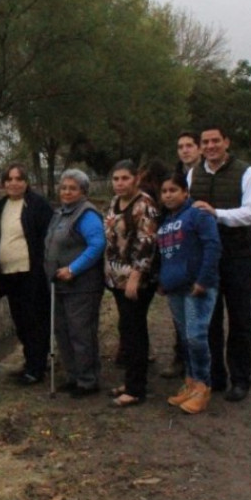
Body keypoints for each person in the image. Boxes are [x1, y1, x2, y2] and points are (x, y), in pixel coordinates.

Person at [189, 126, 251, 402]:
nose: (210, 146)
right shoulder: (193, 174)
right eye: (205, 142)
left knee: (239, 319)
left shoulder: (248, 173)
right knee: (209, 320)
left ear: (226, 142)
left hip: (238, 257)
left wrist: (216, 213)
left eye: (215, 141)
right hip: (207, 260)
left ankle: (241, 379)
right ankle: (215, 376)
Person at [157, 173, 222, 414]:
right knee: (185, 338)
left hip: (196, 287)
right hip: (174, 288)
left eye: (173, 190)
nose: (168, 195)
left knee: (196, 336)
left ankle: (203, 387)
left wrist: (203, 279)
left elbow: (212, 246)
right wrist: (162, 280)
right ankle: (191, 382)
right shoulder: (165, 221)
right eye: (164, 191)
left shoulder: (198, 214)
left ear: (185, 192)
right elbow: (165, 255)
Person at [0, 164, 54, 385]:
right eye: (9, 179)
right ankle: (30, 361)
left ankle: (36, 367)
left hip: (31, 273)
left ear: (26, 182)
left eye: (19, 179)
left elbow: (47, 237)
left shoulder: (38, 205)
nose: (13, 183)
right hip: (8, 273)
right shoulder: (1, 205)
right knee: (20, 321)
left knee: (35, 321)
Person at [44, 169, 107, 398]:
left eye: (73, 188)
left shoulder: (86, 214)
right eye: (63, 188)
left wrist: (73, 269)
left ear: (83, 191)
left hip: (82, 286)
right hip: (59, 285)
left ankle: (87, 380)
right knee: (63, 332)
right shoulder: (60, 213)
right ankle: (73, 376)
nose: (67, 192)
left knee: (81, 333)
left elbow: (97, 244)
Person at [103, 160, 160, 408]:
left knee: (135, 331)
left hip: (135, 281)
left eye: (125, 178)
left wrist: (135, 277)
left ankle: (136, 389)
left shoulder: (144, 205)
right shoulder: (115, 202)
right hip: (116, 277)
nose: (120, 183)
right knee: (126, 330)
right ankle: (130, 381)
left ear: (136, 179)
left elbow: (147, 244)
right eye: (116, 179)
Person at [163, 131, 201, 379]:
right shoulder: (176, 174)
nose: (185, 150)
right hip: (177, 258)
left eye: (189, 145)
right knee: (181, 322)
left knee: (198, 324)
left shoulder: (205, 175)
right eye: (180, 146)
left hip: (199, 256)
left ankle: (202, 375)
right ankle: (184, 364)